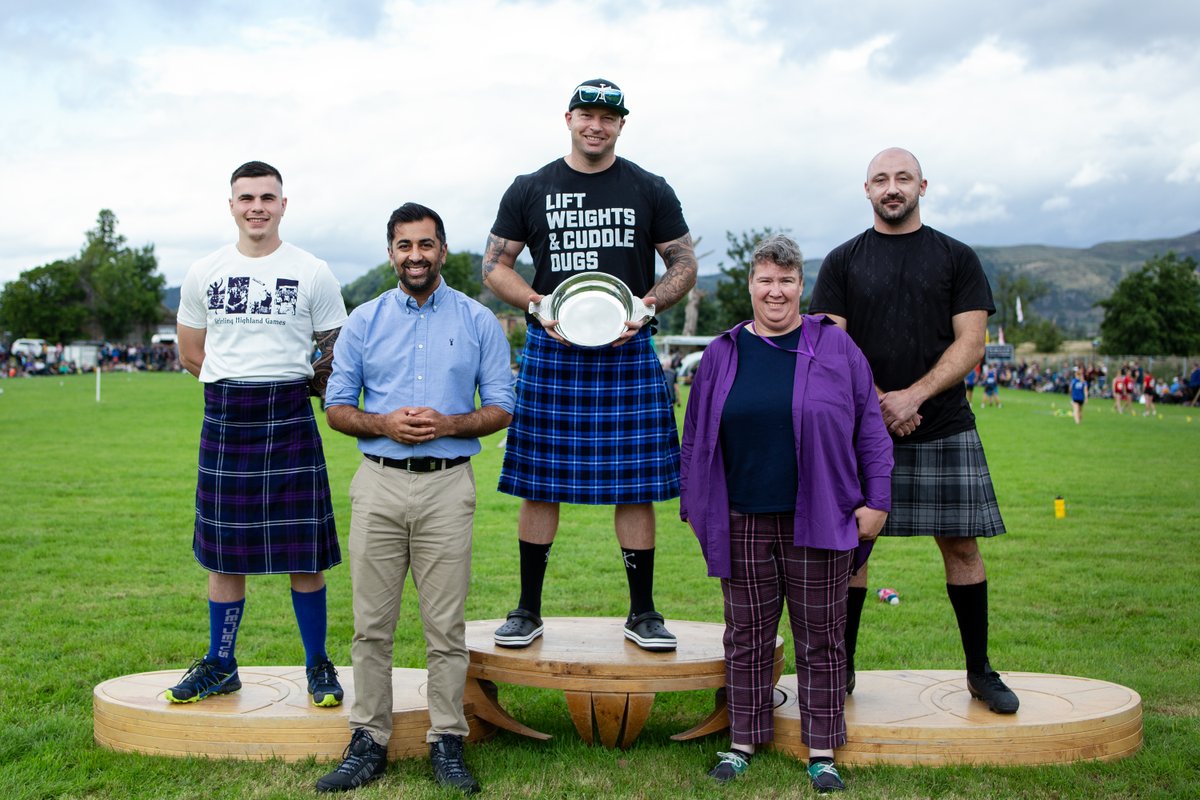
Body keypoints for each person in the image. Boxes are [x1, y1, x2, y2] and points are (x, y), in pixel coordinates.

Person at [482, 79, 698, 651]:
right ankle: (527, 609)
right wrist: (536, 303)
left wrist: (647, 305)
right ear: (569, 118)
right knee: (539, 484)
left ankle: (644, 611)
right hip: (554, 348)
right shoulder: (531, 187)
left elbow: (683, 263)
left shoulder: (650, 188)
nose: (596, 124)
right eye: (586, 114)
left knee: (637, 486)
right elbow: (494, 266)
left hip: (627, 349)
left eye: (608, 116)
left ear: (622, 124)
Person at [809, 147, 1019, 715]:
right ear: (867, 189)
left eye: (903, 178)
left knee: (961, 545)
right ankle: (842, 670)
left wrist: (913, 395)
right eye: (881, 179)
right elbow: (833, 345)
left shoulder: (957, 257)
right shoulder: (842, 260)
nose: (892, 187)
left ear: (923, 185)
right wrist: (879, 403)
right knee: (850, 547)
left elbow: (971, 343)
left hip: (944, 424)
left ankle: (978, 671)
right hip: (863, 430)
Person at [681, 235, 892, 793]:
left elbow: (870, 424)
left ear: (802, 286)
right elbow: (697, 433)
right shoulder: (723, 352)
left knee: (821, 636)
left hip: (820, 514)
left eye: (787, 281)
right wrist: (694, 502)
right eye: (765, 280)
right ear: (750, 285)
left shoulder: (835, 347)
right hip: (741, 516)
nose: (776, 291)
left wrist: (878, 501)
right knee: (745, 635)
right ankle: (743, 740)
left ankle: (821, 748)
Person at [318, 204, 514, 795]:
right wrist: (383, 422)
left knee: (445, 626)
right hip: (377, 482)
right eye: (404, 245)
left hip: (448, 485)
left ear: (443, 250)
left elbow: (503, 405)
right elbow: (336, 407)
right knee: (371, 625)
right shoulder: (364, 320)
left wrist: (450, 423)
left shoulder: (479, 320)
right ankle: (368, 739)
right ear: (391, 253)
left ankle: (447, 740)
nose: (415, 256)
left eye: (425, 244)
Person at [171, 160, 347, 706]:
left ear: (283, 205)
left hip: (289, 413)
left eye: (267, 198)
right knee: (224, 554)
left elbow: (333, 350)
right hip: (227, 414)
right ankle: (221, 663)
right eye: (246, 198)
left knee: (305, 556)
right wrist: (236, 386)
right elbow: (190, 352)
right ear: (231, 205)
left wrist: (288, 386)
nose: (257, 207)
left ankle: (318, 664)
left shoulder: (313, 270)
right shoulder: (204, 271)